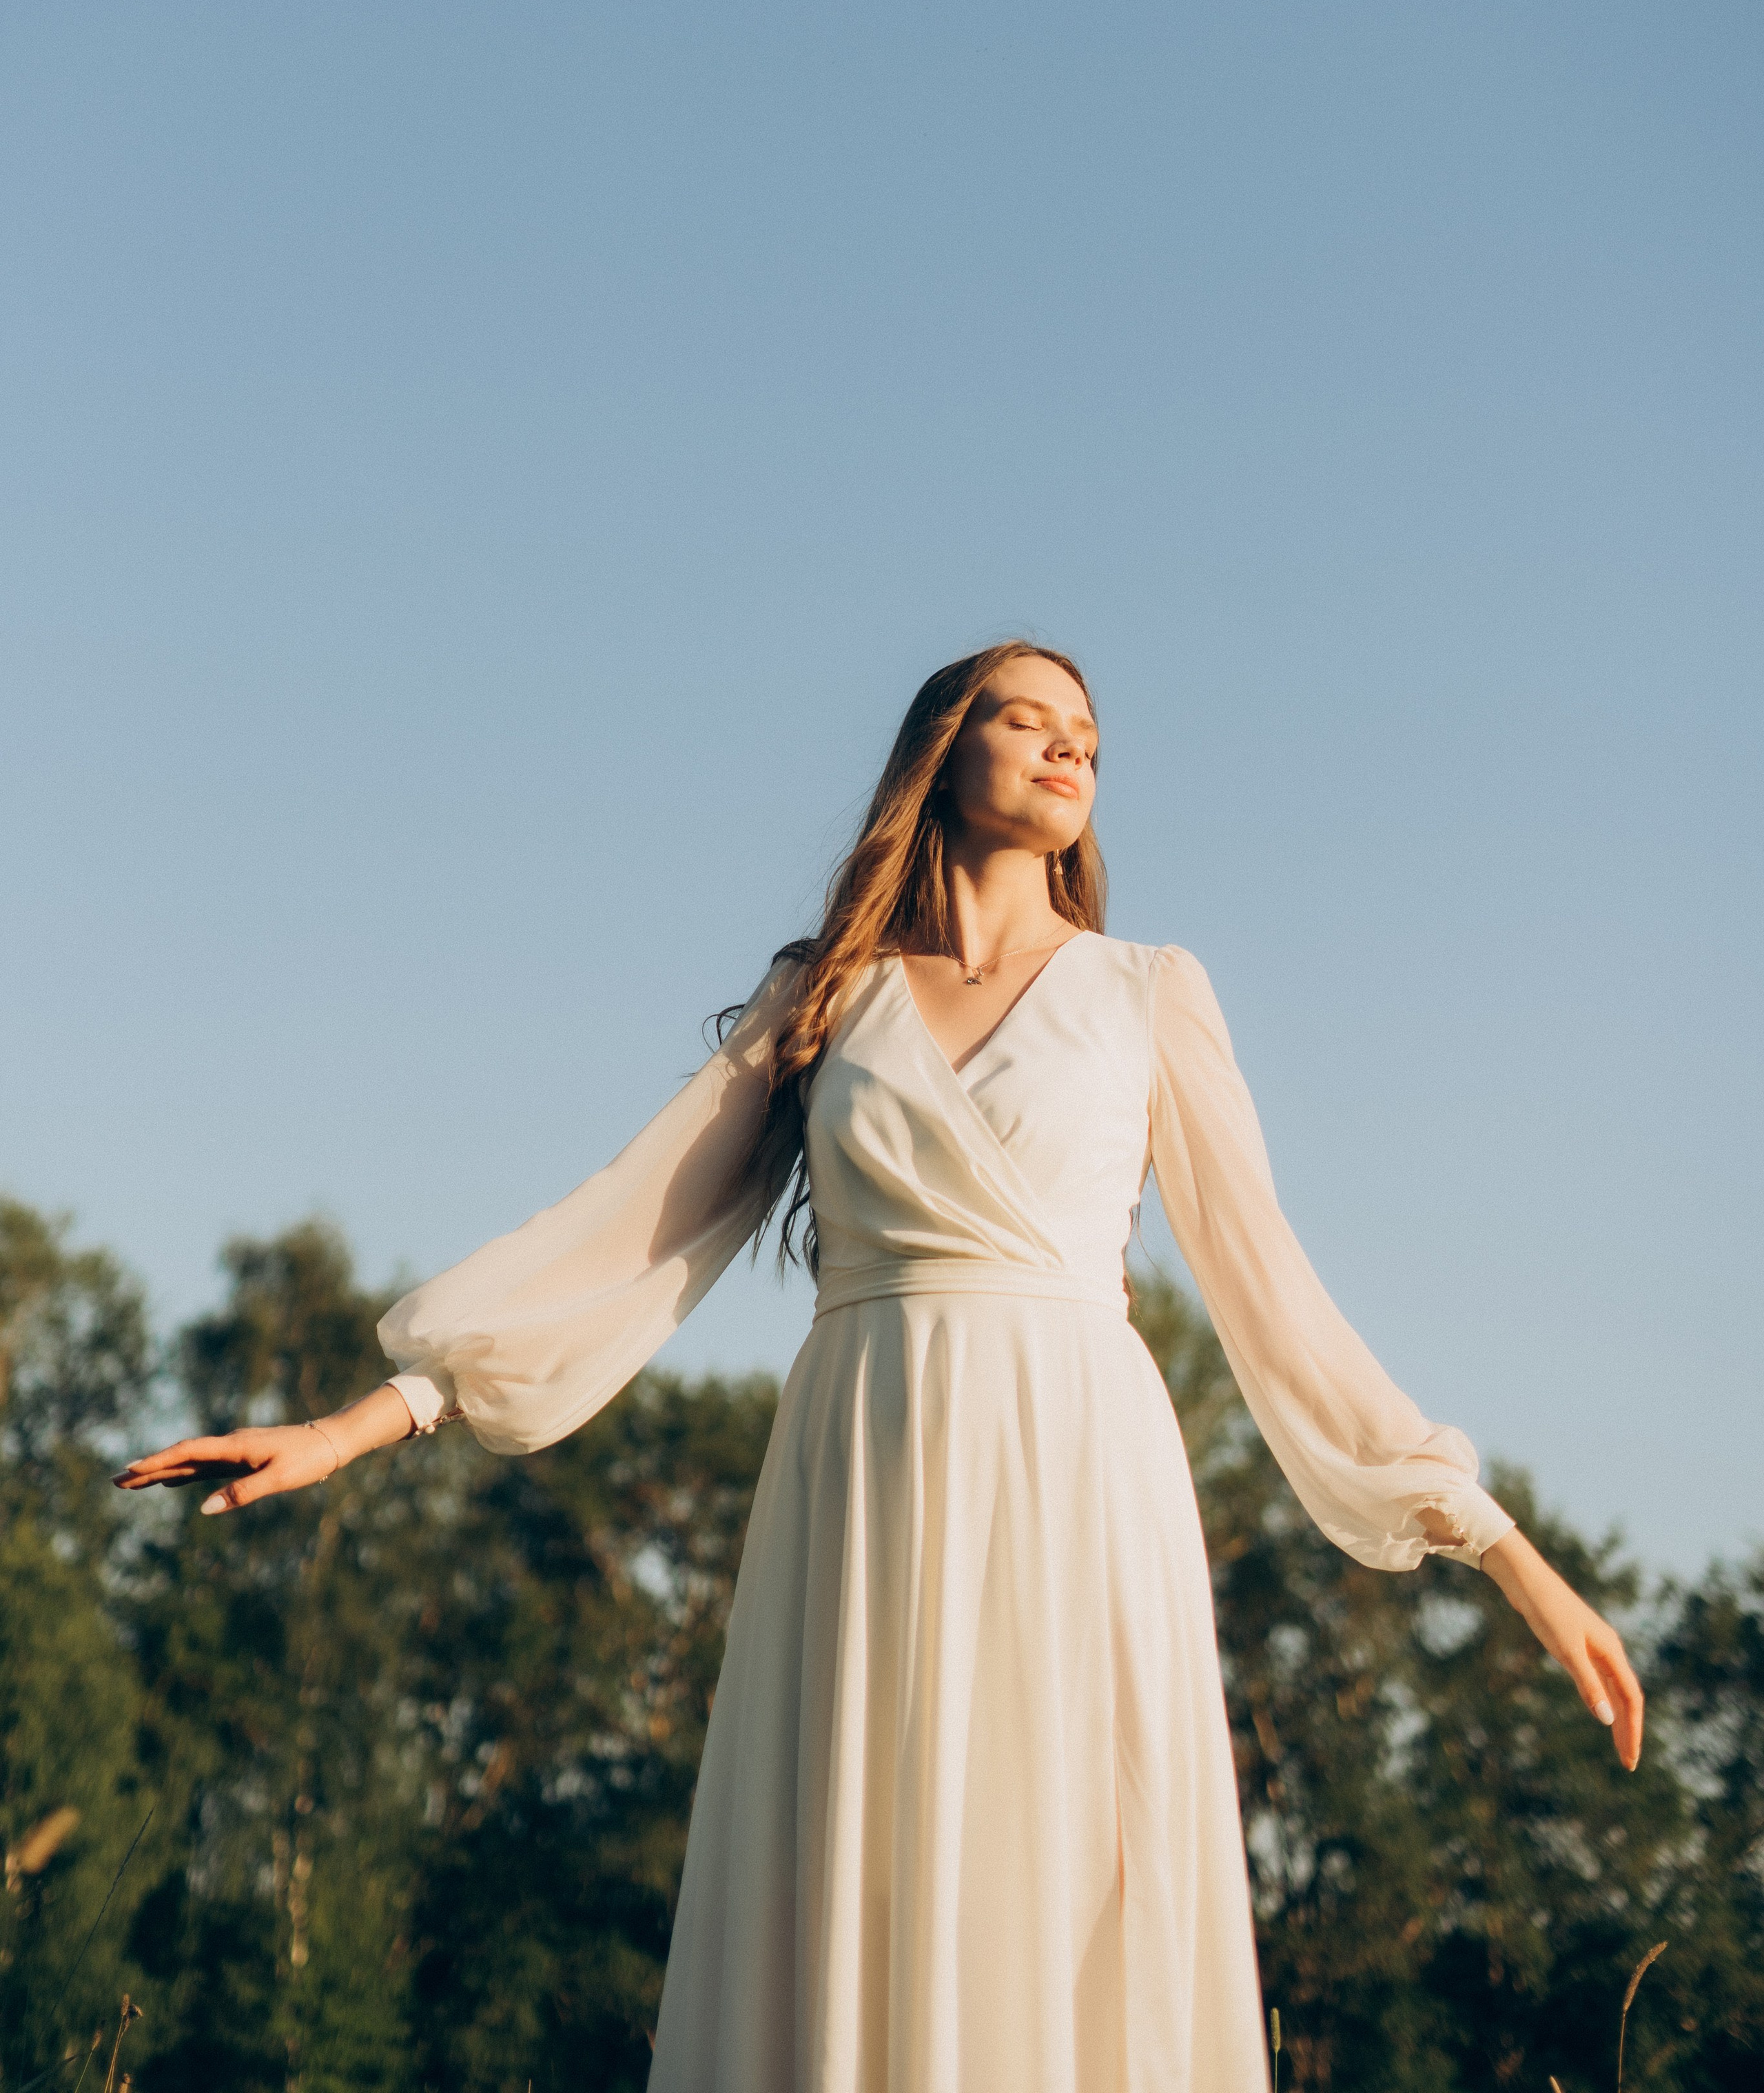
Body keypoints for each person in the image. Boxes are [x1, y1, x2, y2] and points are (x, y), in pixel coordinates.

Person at [119, 639, 1643, 2092]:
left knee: (1060, 1884)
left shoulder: (1145, 996)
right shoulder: (825, 997)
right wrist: (360, 1420)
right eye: (1027, 717)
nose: (1068, 747)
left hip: (1074, 1476)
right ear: (939, 748)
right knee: (863, 1877)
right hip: (867, 1472)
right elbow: (627, 1234)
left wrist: (1502, 1552)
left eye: (1089, 739)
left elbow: (1276, 1304)